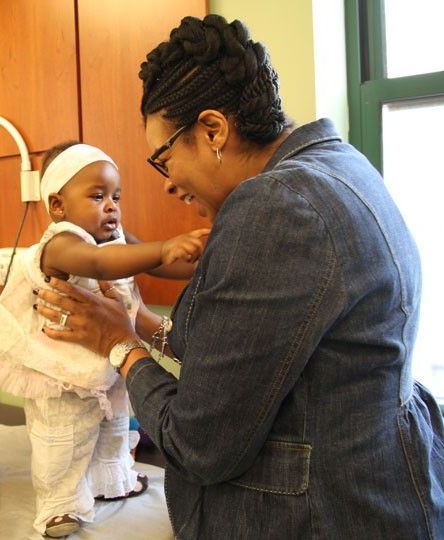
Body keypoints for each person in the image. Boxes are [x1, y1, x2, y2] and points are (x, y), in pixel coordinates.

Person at [32, 14, 444, 540]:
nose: (168, 184)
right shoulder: (340, 165)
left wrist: (120, 344)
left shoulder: (275, 208)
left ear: (212, 130)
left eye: (163, 159)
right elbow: (259, 358)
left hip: (324, 514)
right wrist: (144, 323)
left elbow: (198, 443)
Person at [0, 141, 208, 537]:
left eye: (116, 196)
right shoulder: (60, 244)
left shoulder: (115, 237)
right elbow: (100, 263)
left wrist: (199, 258)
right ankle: (59, 505)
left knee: (113, 426)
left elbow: (155, 266)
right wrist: (166, 247)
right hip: (61, 371)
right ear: (58, 206)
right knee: (63, 439)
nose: (112, 206)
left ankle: (111, 481)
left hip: (108, 362)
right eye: (98, 197)